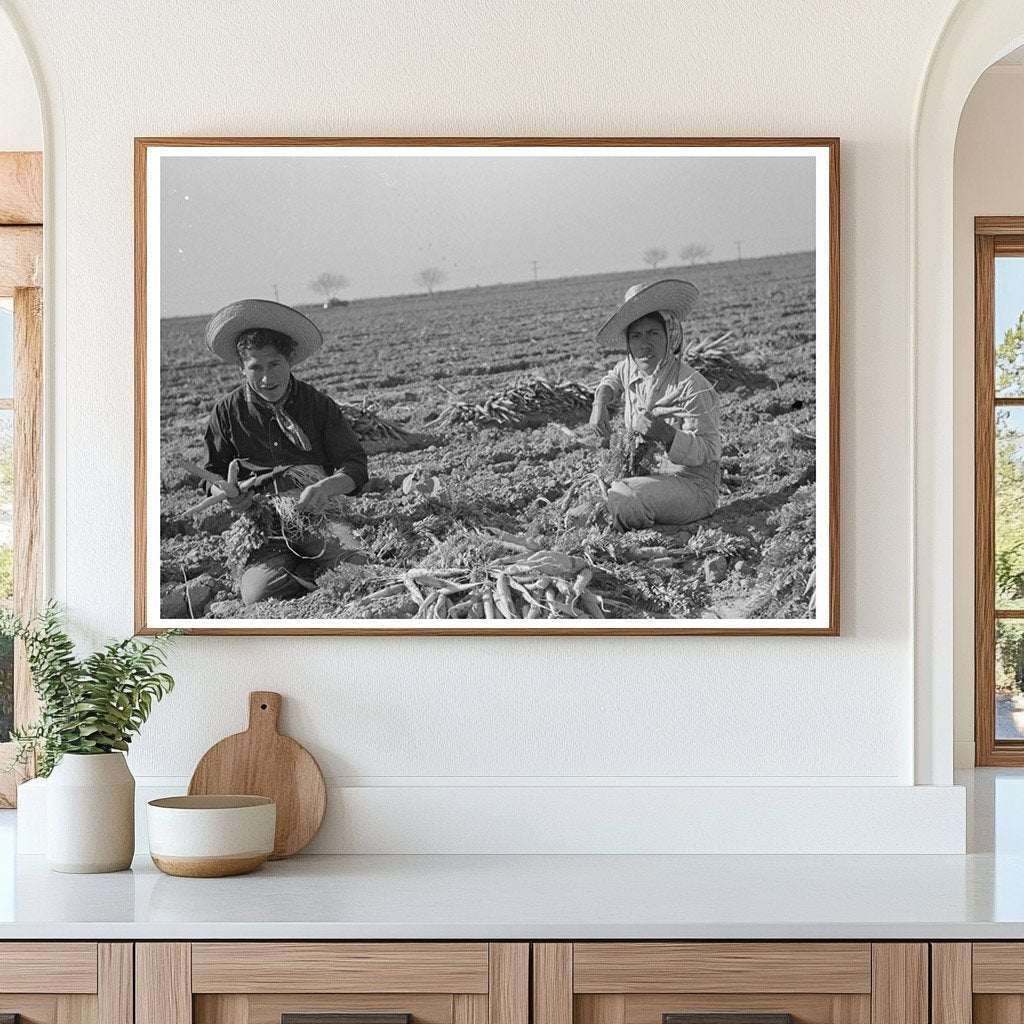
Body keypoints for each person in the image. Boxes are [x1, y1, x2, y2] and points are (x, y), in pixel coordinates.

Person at [201, 298, 369, 605]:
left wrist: (324, 487)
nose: (267, 378)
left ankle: (313, 561)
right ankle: (306, 566)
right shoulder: (226, 412)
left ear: (289, 361)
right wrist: (226, 490)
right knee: (257, 596)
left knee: (358, 567)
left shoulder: (317, 404)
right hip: (262, 524)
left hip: (316, 513)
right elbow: (211, 472)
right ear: (241, 368)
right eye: (256, 368)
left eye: (275, 364)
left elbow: (354, 464)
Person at [589, 280, 721, 531]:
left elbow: (710, 449)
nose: (644, 344)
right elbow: (612, 378)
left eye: (653, 333)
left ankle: (655, 532)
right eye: (636, 336)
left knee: (624, 500)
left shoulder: (692, 385)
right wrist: (600, 402)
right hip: (650, 477)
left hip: (692, 486)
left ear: (670, 336)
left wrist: (668, 435)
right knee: (589, 506)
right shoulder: (630, 367)